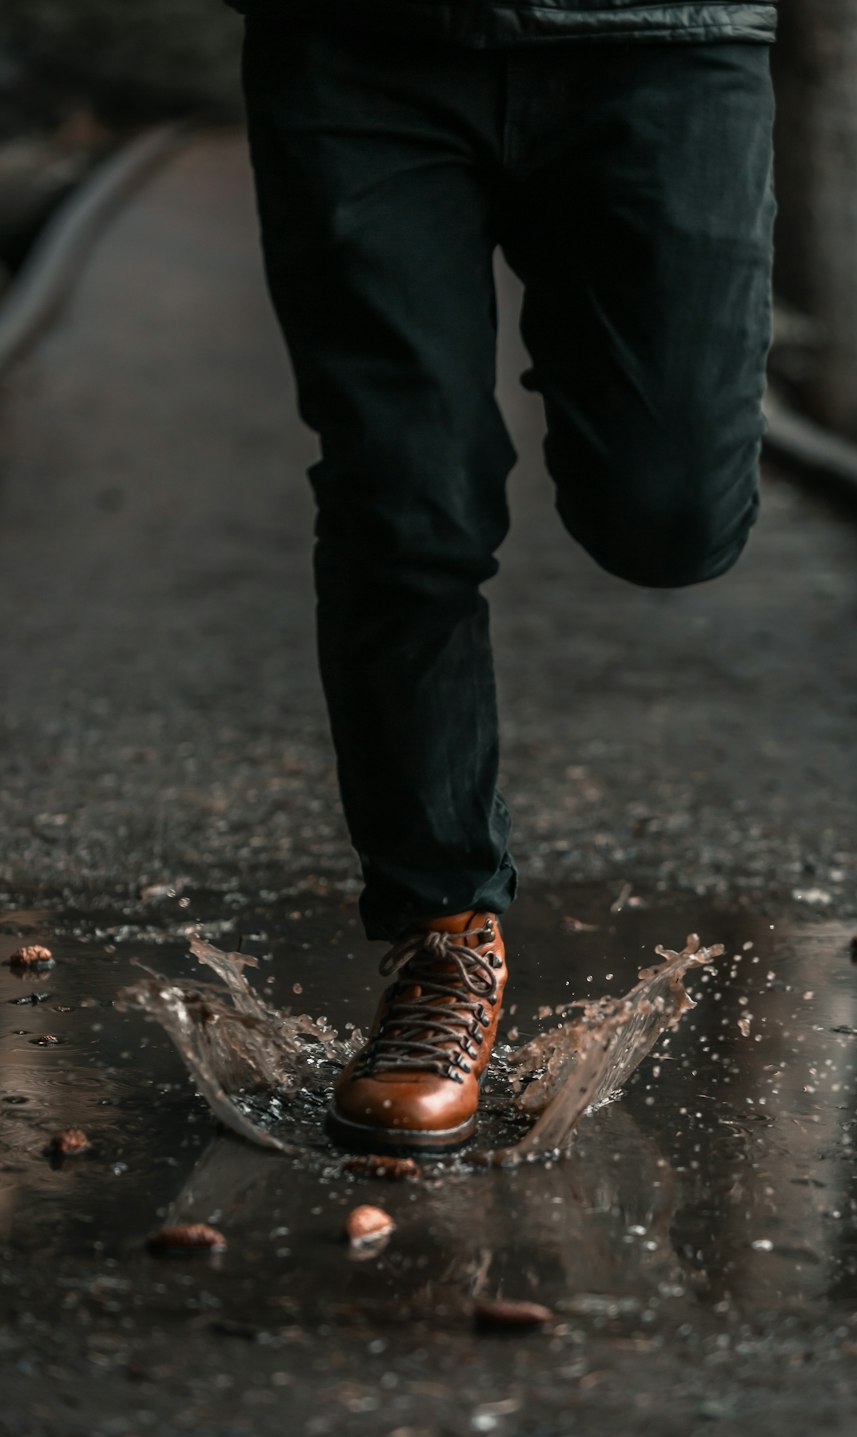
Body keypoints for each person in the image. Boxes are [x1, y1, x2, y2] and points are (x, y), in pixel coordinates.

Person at [230, 0, 778, 1153]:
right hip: (353, 53)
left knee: (670, 514)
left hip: (660, 39)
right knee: (400, 492)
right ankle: (440, 937)